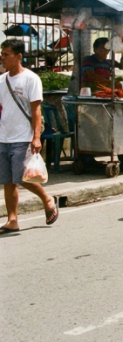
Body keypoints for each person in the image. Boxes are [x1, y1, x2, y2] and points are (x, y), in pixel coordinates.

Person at [0, 39, 56, 233]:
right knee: (8, 180)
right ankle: (12, 220)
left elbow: (36, 111)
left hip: (23, 136)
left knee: (23, 177)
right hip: (3, 136)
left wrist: (36, 137)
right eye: (2, 54)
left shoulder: (31, 79)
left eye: (6, 54)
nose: (2, 58)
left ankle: (47, 199)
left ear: (18, 57)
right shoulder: (2, 80)